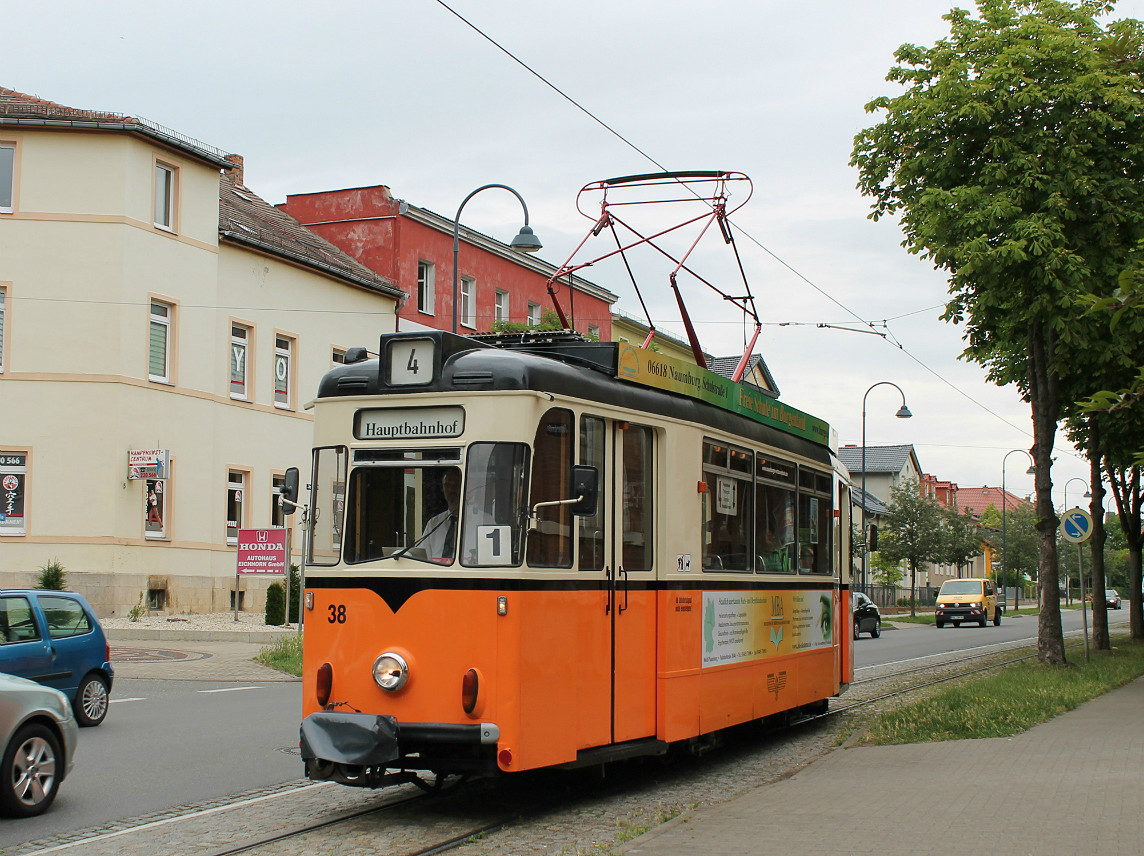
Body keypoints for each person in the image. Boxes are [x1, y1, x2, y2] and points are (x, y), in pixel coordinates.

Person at [424, 468, 460, 561]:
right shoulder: (433, 524)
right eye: (447, 485)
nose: (451, 490)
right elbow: (423, 558)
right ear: (442, 489)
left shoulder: (483, 520)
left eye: (456, 485)